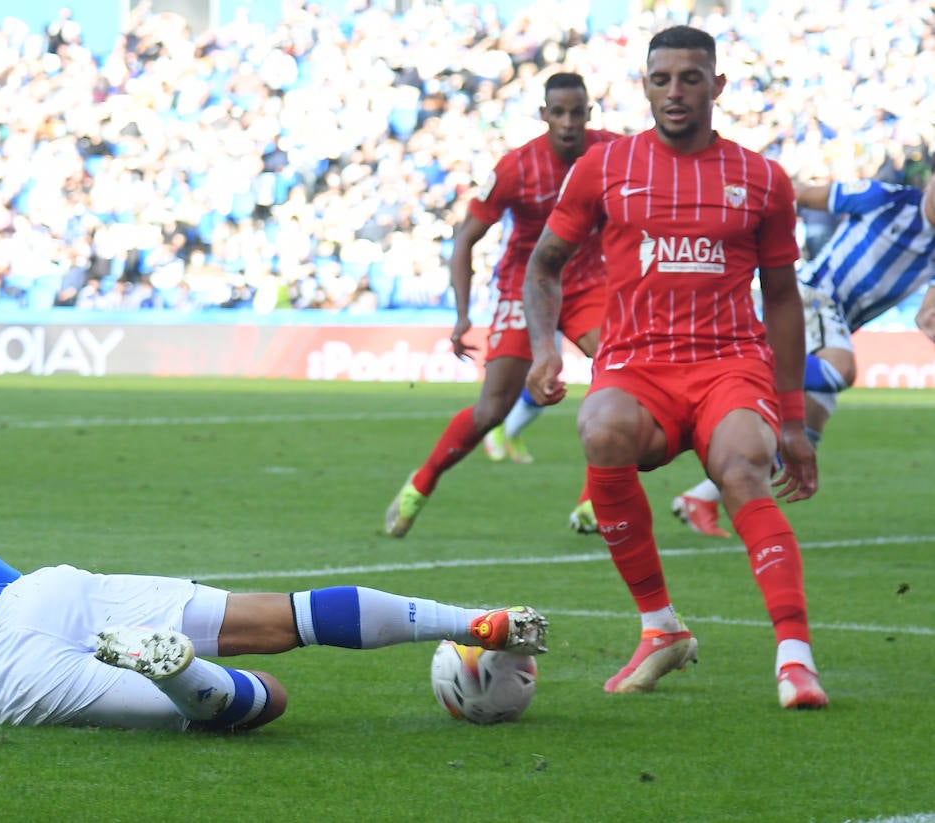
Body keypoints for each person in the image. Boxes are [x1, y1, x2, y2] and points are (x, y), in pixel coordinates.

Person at [521, 25, 827, 709]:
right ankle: (660, 627)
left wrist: (797, 419)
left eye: (691, 78)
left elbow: (781, 297)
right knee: (599, 429)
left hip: (729, 363)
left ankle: (795, 658)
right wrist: (545, 347)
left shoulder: (763, 178)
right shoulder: (605, 167)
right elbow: (544, 267)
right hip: (638, 366)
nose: (675, 91)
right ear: (645, 87)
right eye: (661, 79)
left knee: (745, 461)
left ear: (717, 85)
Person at [0, 494, 549, 732]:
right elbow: (11, 580)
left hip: (6, 678)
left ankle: (188, 681)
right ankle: (463, 615)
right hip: (48, 596)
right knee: (281, 614)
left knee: (259, 699)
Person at [384, 72, 617, 538]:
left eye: (577, 113)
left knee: (620, 369)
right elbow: (466, 237)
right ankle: (421, 484)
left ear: (589, 114)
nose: (569, 122)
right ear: (544, 115)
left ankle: (596, 499)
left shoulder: (612, 152)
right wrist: (463, 314)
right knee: (492, 409)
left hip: (588, 282)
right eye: (559, 113)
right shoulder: (517, 167)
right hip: (523, 285)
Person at [671, 173, 935, 537]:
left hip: (838, 321)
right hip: (815, 295)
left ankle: (700, 499)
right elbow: (800, 196)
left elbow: (926, 317)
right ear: (931, 181)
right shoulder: (887, 199)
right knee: (840, 371)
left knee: (806, 430)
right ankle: (739, 356)